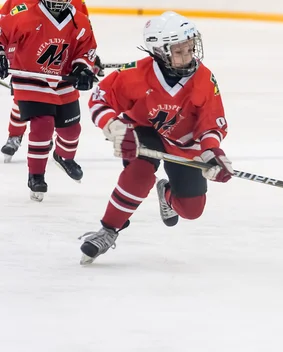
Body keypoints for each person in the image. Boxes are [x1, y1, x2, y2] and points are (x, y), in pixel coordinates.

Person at [79, 11, 233, 265]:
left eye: (190, 48)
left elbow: (210, 123)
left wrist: (212, 153)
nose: (188, 56)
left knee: (192, 210)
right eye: (179, 51)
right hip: (143, 132)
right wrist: (115, 128)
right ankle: (108, 230)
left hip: (183, 143)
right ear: (160, 52)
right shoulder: (136, 74)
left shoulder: (204, 79)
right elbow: (99, 98)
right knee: (139, 172)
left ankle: (166, 193)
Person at [0, 0, 97, 201]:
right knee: (42, 125)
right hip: (29, 79)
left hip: (62, 80)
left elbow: (86, 49)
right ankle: (36, 175)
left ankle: (63, 156)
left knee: (72, 131)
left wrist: (83, 67)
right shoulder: (23, 13)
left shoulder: (79, 19)